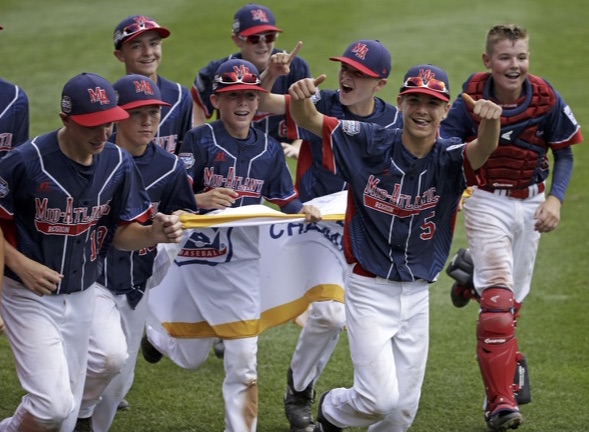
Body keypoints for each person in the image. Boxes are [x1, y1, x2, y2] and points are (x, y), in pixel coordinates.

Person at [288, 64, 502, 431]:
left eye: (432, 103)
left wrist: (491, 121)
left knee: (402, 412)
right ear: (400, 103)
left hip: (417, 295)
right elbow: (310, 120)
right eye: (415, 100)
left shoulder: (451, 157)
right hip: (368, 288)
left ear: (446, 110)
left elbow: (484, 148)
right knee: (377, 399)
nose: (423, 110)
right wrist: (301, 97)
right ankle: (331, 410)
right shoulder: (367, 140)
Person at [142, 58, 321, 432]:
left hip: (242, 266)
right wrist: (200, 199)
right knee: (191, 357)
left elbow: (284, 199)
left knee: (243, 360)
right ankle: (155, 334)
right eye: (232, 95)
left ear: (259, 101)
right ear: (217, 101)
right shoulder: (199, 139)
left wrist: (308, 210)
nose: (242, 103)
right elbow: (174, 194)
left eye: (249, 95)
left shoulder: (270, 150)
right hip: (196, 260)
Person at [0, 72, 183, 432]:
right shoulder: (24, 161)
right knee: (51, 408)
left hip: (85, 290)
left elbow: (121, 234)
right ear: (65, 120)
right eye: (92, 126)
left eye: (108, 123)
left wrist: (153, 234)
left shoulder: (117, 162)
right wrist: (19, 262)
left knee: (110, 360)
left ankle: (79, 415)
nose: (102, 134)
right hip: (28, 295)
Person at [440, 23, 583, 431]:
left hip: (533, 202)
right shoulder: (469, 98)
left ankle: (470, 278)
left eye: (521, 56)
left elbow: (565, 153)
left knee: (513, 304)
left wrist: (555, 198)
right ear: (488, 61)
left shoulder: (545, 97)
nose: (514, 65)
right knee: (499, 310)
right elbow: (448, 147)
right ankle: (499, 402)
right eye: (504, 57)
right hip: (486, 202)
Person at [260, 39, 402, 432]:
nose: (347, 76)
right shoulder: (318, 101)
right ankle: (301, 391)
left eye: (360, 74)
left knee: (375, 319)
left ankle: (378, 393)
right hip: (317, 223)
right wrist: (274, 76)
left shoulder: (395, 123)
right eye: (345, 67)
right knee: (329, 312)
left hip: (368, 230)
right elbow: (257, 103)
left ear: (381, 84)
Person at [73, 74, 199, 432]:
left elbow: (182, 217)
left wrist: (173, 232)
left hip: (137, 282)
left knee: (117, 386)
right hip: (89, 278)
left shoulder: (170, 167)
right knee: (105, 358)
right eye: (136, 113)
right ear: (116, 117)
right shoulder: (94, 157)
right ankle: (72, 415)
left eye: (153, 114)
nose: (146, 122)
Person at [191, 3, 310, 149]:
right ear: (236, 40)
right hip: (230, 157)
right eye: (254, 38)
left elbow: (310, 114)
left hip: (274, 160)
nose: (263, 44)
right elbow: (197, 113)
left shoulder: (295, 68)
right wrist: (202, 147)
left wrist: (298, 145)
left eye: (269, 37)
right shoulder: (217, 71)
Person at [113, 14, 193, 154]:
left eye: (153, 43)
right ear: (120, 55)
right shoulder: (111, 99)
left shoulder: (180, 96)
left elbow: (187, 153)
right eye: (136, 46)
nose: (148, 52)